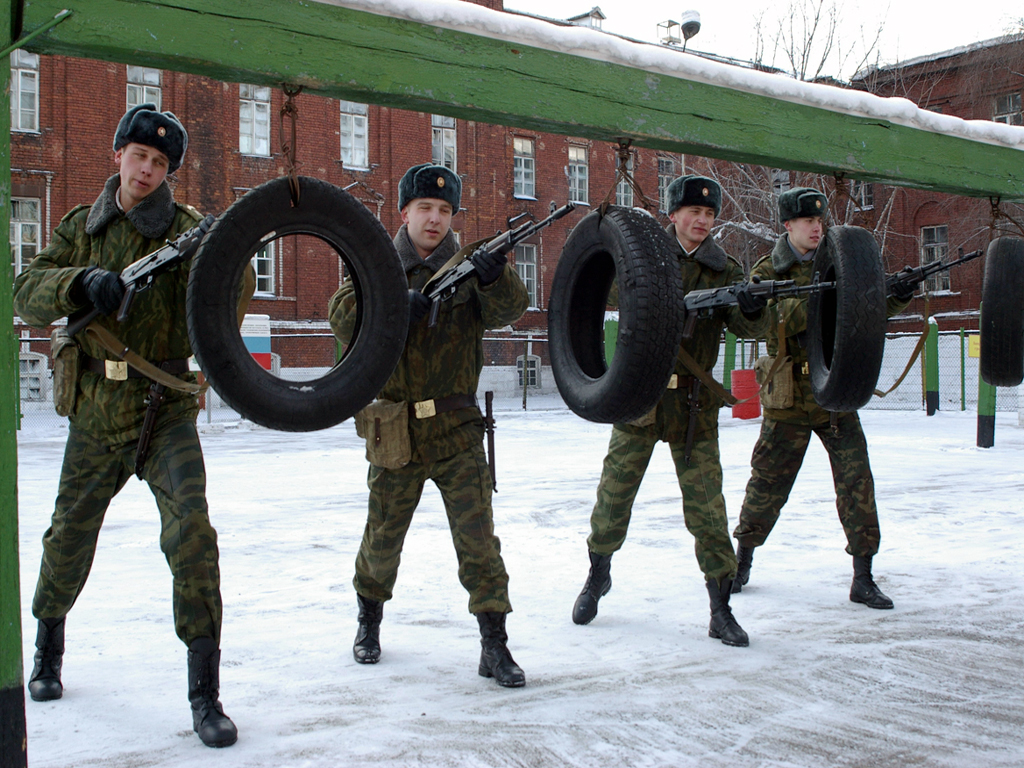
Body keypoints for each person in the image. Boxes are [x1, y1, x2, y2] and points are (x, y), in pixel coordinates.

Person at [13, 104, 252, 748]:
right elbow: (25, 290)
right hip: (94, 409)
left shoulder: (189, 229)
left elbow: (237, 294)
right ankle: (48, 647)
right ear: (116, 155)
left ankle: (205, 694)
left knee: (192, 537)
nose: (147, 170)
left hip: (164, 409)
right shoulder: (80, 229)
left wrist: (229, 255)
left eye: (160, 163)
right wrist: (82, 283)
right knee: (67, 534)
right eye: (138, 156)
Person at [329, 163, 530, 687]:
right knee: (382, 538)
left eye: (444, 210)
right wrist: (394, 306)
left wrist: (496, 274)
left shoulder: (468, 264)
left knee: (480, 541)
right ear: (405, 212)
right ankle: (368, 623)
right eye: (425, 208)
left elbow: (511, 309)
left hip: (457, 428)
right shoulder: (376, 263)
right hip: (395, 430)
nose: (435, 219)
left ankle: (495, 644)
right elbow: (341, 314)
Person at [571, 175, 766, 647]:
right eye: (692, 213)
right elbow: (612, 293)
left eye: (709, 215)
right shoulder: (647, 255)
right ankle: (598, 573)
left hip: (693, 409)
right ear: (673, 215)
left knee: (707, 512)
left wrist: (751, 304)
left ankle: (721, 608)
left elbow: (747, 325)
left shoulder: (724, 269)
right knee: (613, 499)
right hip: (641, 398)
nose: (701, 221)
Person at [730, 187, 913, 608]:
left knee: (857, 483)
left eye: (820, 221)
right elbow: (766, 321)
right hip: (790, 399)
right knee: (767, 484)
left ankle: (863, 577)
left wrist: (894, 293)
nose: (816, 228)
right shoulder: (767, 271)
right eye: (807, 222)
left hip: (835, 394)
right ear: (788, 225)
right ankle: (742, 561)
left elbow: (864, 309)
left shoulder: (842, 262)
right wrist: (828, 299)